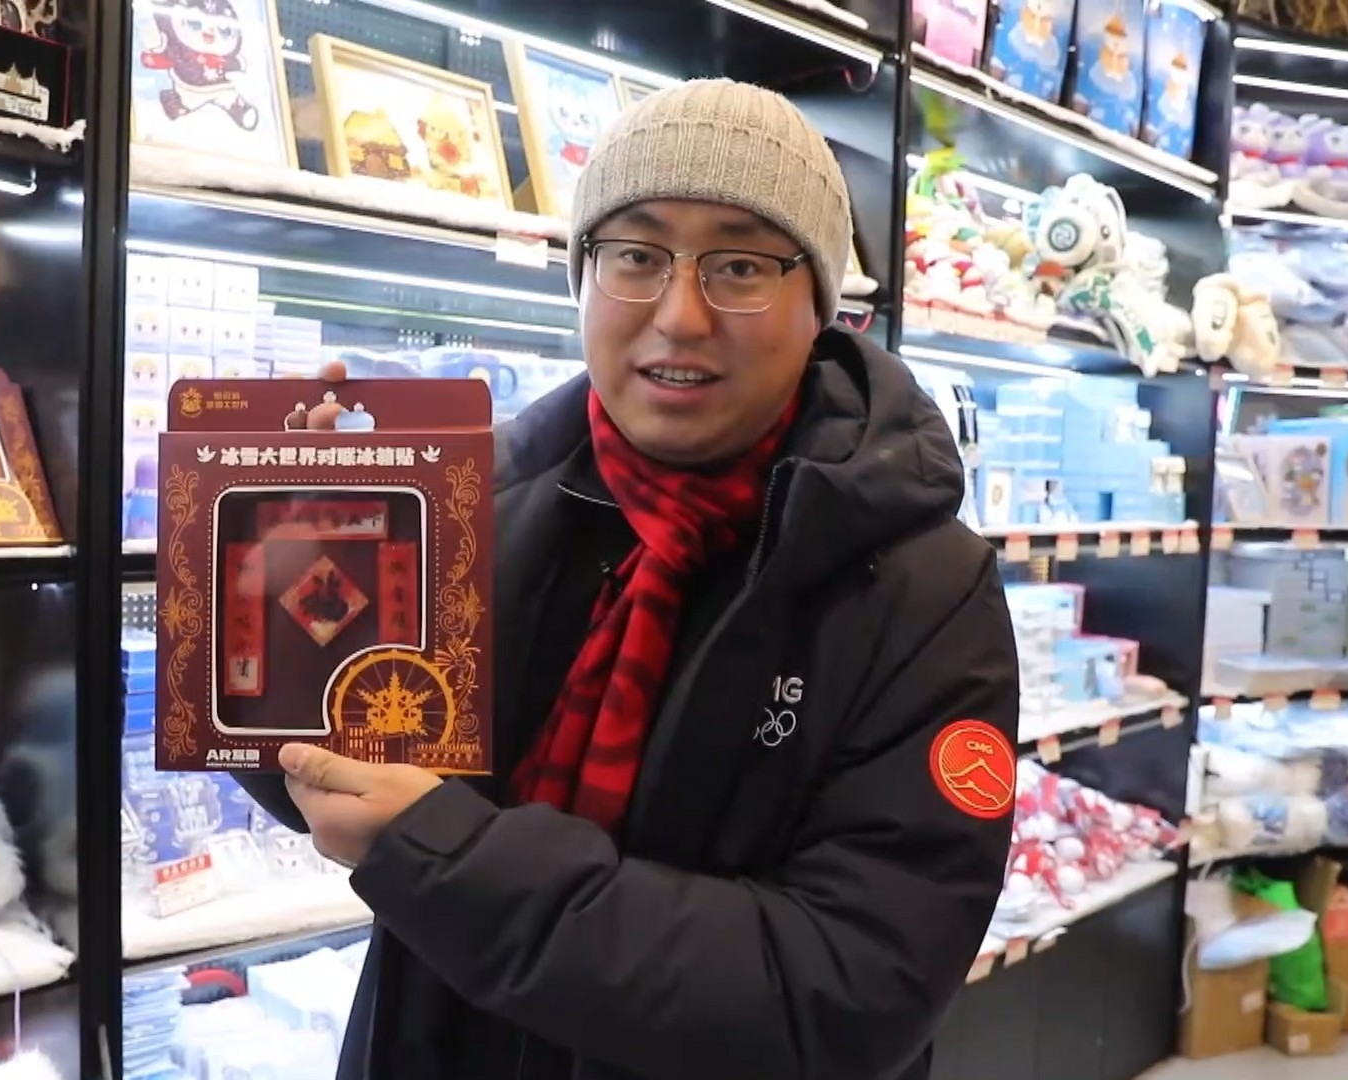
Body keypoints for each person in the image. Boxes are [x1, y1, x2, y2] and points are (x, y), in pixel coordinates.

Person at [239, 78, 1020, 1080]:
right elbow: (335, 779)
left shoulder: (924, 591)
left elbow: (849, 986)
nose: (680, 316)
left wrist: (448, 857)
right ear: (583, 277)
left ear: (822, 310)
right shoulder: (477, 506)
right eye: (636, 256)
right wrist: (274, 584)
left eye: (741, 266)